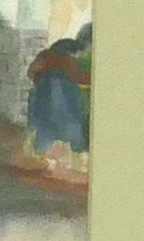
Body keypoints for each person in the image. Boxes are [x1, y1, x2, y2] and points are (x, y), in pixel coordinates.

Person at [24, 20, 93, 165]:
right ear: (71, 52)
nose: (79, 57)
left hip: (41, 99)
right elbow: (80, 78)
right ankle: (75, 156)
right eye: (78, 54)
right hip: (62, 102)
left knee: (43, 128)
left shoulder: (45, 55)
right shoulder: (66, 61)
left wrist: (39, 82)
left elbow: (31, 72)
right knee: (71, 128)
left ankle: (38, 154)